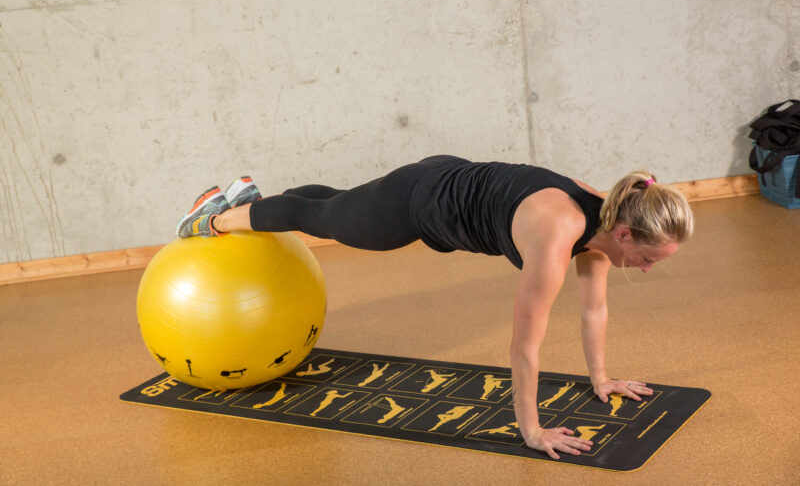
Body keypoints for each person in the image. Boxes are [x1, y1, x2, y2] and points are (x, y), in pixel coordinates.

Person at [175, 154, 694, 460]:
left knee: (337, 205)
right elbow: (524, 345)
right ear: (626, 234)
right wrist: (531, 431)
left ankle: (251, 198)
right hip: (420, 202)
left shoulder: (606, 222)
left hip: (449, 177)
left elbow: (593, 311)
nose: (647, 268)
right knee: (330, 219)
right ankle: (212, 220)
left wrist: (602, 379)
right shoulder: (560, 234)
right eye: (648, 257)